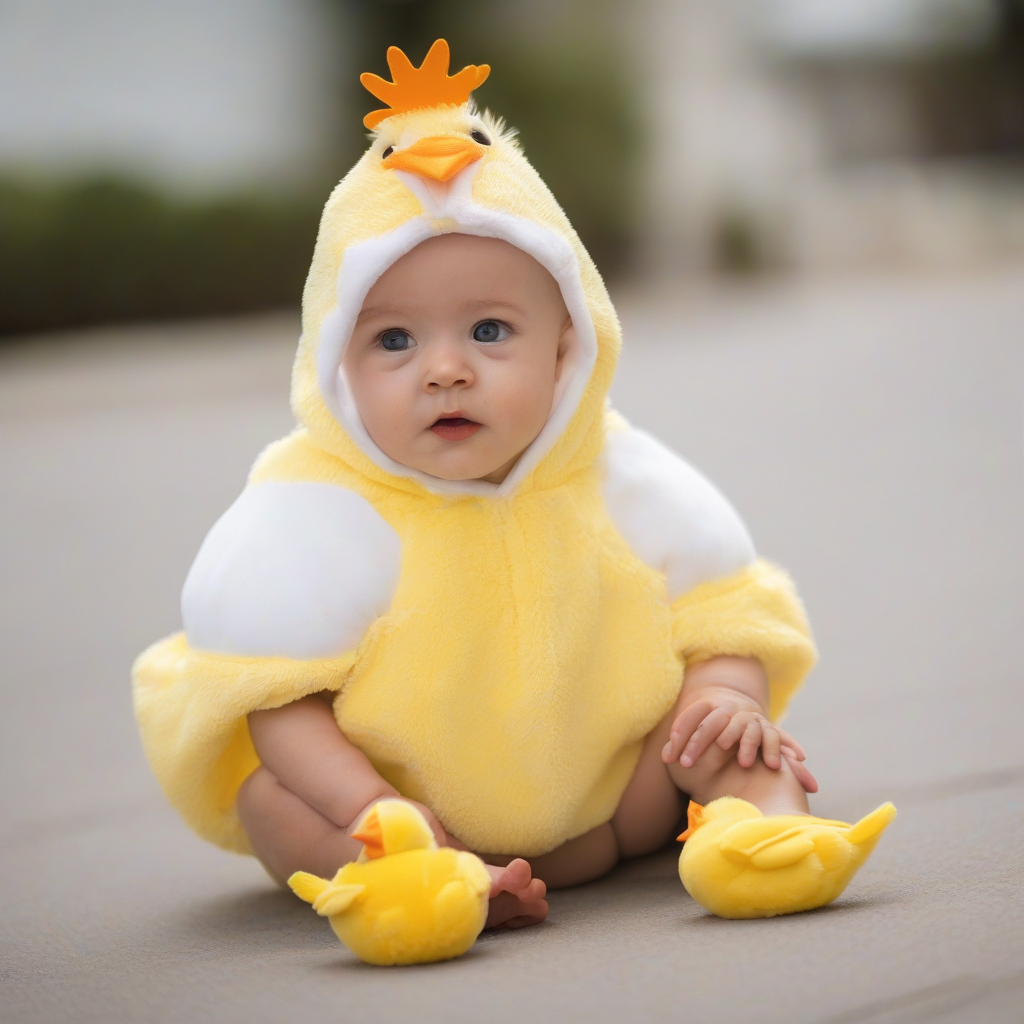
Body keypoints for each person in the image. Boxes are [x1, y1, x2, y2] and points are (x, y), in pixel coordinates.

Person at [133, 41, 839, 930]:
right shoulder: (317, 511)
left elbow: (722, 609)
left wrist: (725, 697)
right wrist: (367, 808)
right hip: (412, 813)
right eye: (393, 341)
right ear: (337, 365)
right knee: (274, 798)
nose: (445, 372)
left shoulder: (618, 478)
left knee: (719, 732)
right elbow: (276, 700)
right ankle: (411, 881)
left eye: (491, 329)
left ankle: (764, 830)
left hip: (623, 805)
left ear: (567, 348)